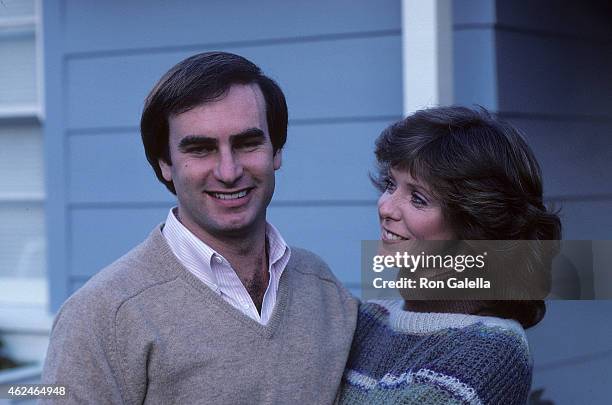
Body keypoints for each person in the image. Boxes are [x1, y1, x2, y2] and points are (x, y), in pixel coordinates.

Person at [41, 52, 358, 404]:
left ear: (276, 150)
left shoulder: (323, 289)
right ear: (165, 164)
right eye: (201, 149)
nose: (228, 170)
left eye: (247, 143)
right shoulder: (103, 314)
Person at [337, 106, 561, 404]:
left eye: (418, 198)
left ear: (473, 226)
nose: (386, 207)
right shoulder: (371, 318)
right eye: (391, 184)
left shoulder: (491, 350)